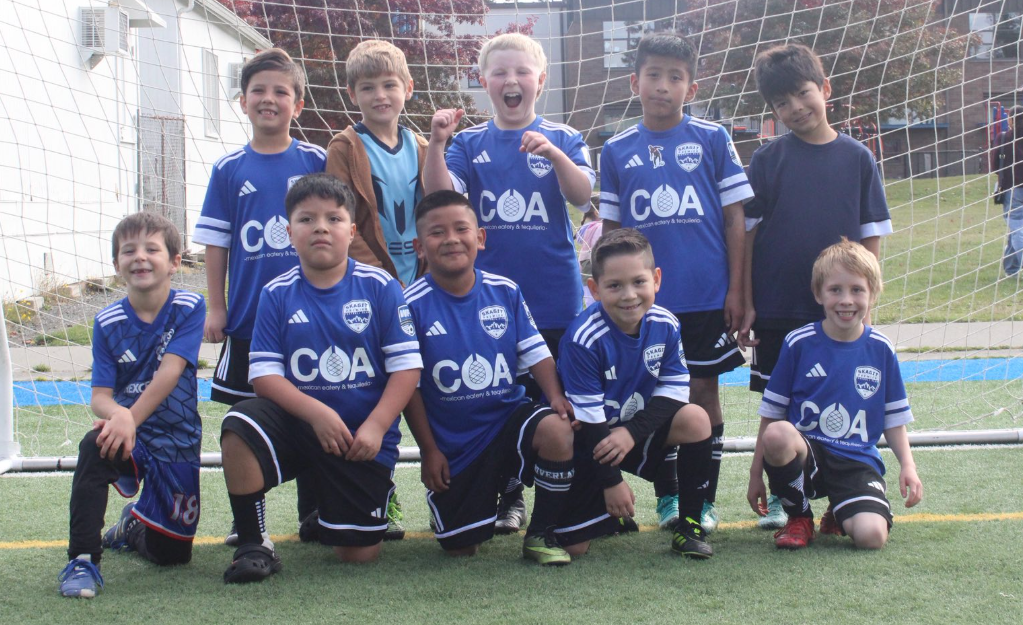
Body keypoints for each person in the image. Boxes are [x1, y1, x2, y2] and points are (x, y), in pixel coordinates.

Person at [423, 32, 595, 534]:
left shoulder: (562, 136)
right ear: (483, 82)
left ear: (540, 80)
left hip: (555, 301)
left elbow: (583, 195)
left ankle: (573, 500)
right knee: (498, 404)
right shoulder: (469, 143)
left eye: (522, 71)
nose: (511, 80)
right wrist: (436, 142)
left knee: (561, 406)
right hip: (486, 308)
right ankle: (508, 497)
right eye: (500, 72)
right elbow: (440, 194)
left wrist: (555, 157)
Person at [218, 174, 421, 583]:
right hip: (301, 425)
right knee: (238, 424)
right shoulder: (276, 293)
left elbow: (407, 368)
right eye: (307, 219)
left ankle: (328, 513)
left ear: (352, 229)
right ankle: (254, 542)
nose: (321, 227)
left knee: (358, 556)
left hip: (359, 439)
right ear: (289, 232)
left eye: (333, 218)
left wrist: (377, 426)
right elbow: (263, 375)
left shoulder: (381, 286)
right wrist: (316, 413)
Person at [599, 32, 753, 533]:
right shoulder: (617, 149)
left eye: (675, 77)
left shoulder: (712, 138)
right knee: (654, 396)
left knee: (703, 393)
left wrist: (736, 289)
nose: (662, 86)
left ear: (691, 86)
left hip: (705, 295)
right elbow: (611, 234)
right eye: (653, 75)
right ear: (634, 81)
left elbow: (736, 219)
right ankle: (668, 496)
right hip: (639, 303)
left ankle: (700, 501)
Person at [739, 43, 893, 530]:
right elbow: (747, 233)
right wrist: (743, 300)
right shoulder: (767, 159)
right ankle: (791, 502)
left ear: (825, 89)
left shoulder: (857, 158)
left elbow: (871, 233)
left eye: (803, 94)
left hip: (841, 308)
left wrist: (866, 300)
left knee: (839, 399)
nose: (794, 109)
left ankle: (843, 495)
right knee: (783, 404)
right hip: (778, 305)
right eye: (781, 103)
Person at [191, 48, 328, 544]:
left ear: (298, 104)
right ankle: (248, 515)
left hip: (312, 320)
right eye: (259, 91)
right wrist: (216, 304)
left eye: (281, 92)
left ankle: (317, 511)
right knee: (243, 418)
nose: (269, 99)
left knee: (316, 408)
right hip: (250, 321)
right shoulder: (229, 169)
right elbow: (217, 241)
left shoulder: (317, 159)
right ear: (243, 101)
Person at [402, 190, 577, 565]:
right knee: (461, 548)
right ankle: (496, 487)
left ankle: (541, 533)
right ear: (419, 246)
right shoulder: (408, 305)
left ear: (479, 237)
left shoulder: (505, 291)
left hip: (507, 419)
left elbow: (537, 354)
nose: (450, 238)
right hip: (456, 446)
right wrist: (429, 451)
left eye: (461, 228)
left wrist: (556, 397)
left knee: (557, 428)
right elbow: (409, 389)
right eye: (437, 232)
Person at [59, 213, 205, 598]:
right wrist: (120, 418)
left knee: (173, 555)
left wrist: (127, 415)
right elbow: (99, 398)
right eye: (129, 250)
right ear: (116, 264)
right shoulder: (107, 322)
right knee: (94, 446)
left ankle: (133, 525)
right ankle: (83, 560)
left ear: (175, 262)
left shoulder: (190, 306)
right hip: (129, 436)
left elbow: (169, 373)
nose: (140, 257)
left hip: (177, 437)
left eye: (151, 249)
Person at [746, 238, 923, 549]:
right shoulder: (798, 343)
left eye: (857, 290)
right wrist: (755, 473)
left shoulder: (880, 349)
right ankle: (799, 517)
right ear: (818, 294)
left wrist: (908, 465)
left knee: (872, 538)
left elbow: (893, 418)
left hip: (856, 460)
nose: (846, 300)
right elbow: (771, 415)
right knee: (778, 434)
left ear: (873, 294)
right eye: (835, 290)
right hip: (808, 457)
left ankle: (840, 511)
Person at [323, 38, 430, 541]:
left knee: (426, 392)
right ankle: (380, 495)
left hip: (422, 286)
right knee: (377, 394)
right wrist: (383, 282)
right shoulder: (345, 146)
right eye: (368, 87)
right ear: (353, 94)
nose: (380, 95)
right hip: (374, 290)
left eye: (389, 84)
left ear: (407, 89)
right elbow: (344, 221)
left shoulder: (423, 147)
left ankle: (442, 483)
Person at [557, 228, 715, 558]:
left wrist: (631, 433)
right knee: (574, 547)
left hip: (630, 433)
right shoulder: (583, 339)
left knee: (696, 419)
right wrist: (611, 481)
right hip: (587, 439)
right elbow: (588, 419)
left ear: (656, 279)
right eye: (615, 286)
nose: (629, 295)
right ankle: (601, 508)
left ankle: (689, 524)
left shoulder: (666, 324)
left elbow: (675, 391)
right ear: (595, 289)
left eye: (638, 282)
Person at [990, 106, 1022, 276]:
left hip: (1013, 188)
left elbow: (995, 164)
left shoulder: (1004, 138)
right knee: (1015, 228)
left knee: (1017, 226)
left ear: (1010, 120)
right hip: (1015, 187)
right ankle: (1011, 269)